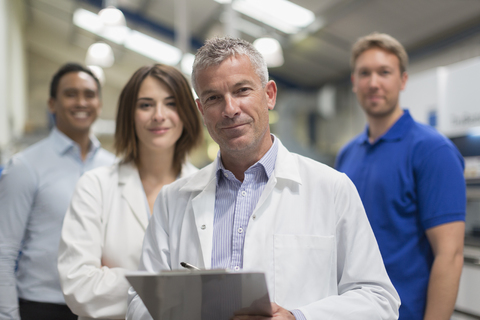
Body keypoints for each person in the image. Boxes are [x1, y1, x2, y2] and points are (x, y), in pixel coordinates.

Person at [126, 36, 400, 320]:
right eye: (214, 98)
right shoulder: (174, 200)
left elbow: (378, 299)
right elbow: (139, 304)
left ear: (269, 94)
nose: (230, 109)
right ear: (201, 110)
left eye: (242, 90)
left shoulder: (331, 188)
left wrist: (298, 317)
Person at [335, 32, 466, 320]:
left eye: (384, 72)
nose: (373, 83)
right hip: (350, 311)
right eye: (364, 73)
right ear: (354, 83)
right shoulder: (347, 154)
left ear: (402, 80)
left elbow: (450, 255)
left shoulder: (433, 151)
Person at [57, 64, 203, 320]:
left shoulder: (206, 189)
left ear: (187, 113)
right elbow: (79, 287)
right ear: (129, 114)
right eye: (145, 105)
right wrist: (176, 286)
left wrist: (118, 277)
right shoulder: (96, 185)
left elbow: (212, 288)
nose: (159, 115)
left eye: (171, 103)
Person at [0, 63, 116, 320]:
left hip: (102, 308)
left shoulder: (115, 167)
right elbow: (4, 252)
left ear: (99, 103)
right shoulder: (25, 167)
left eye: (89, 94)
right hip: (42, 307)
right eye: (70, 94)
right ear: (52, 104)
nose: (81, 102)